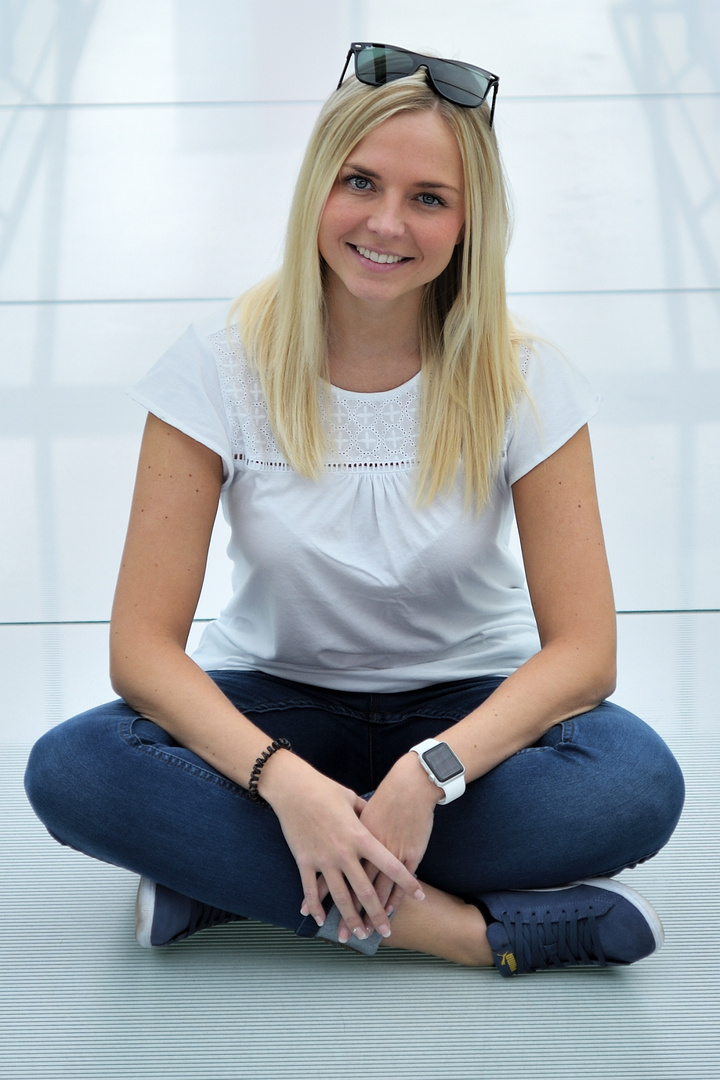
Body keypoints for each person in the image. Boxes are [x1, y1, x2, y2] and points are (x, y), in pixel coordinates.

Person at [25, 43, 684, 976]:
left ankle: (223, 878)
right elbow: (142, 650)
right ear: (316, 193)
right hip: (272, 705)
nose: (386, 223)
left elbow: (584, 656)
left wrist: (430, 772)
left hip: (467, 712)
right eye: (360, 182)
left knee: (635, 788)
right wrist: (286, 786)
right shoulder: (217, 367)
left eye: (429, 198)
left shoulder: (526, 379)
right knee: (72, 771)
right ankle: (457, 931)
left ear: (469, 221)